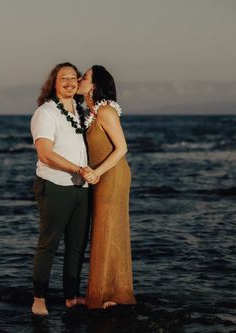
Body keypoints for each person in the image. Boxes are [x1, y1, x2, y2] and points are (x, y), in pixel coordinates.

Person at [30, 62, 91, 316]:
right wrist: (78, 169)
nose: (68, 82)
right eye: (62, 78)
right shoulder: (46, 113)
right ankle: (39, 300)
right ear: (53, 83)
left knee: (77, 245)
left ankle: (71, 297)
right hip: (55, 186)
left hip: (81, 188)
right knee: (49, 245)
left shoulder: (79, 111)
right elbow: (45, 154)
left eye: (72, 78)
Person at [77, 65, 137, 309]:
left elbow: (122, 148)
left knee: (109, 229)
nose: (79, 79)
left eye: (84, 77)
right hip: (100, 177)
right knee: (102, 230)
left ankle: (113, 295)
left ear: (94, 85)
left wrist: (96, 172)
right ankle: (99, 294)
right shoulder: (90, 112)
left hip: (112, 176)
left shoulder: (106, 111)